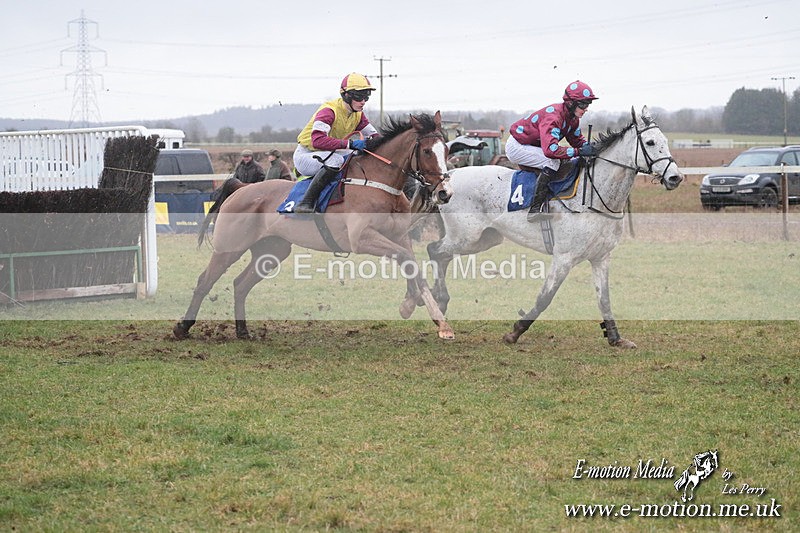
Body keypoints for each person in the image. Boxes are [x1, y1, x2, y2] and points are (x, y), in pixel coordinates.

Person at [506, 80, 599, 222]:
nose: (586, 108)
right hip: (517, 146)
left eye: (588, 104)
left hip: (531, 146)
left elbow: (577, 141)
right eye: (583, 104)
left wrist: (591, 149)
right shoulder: (554, 117)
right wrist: (579, 152)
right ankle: (535, 210)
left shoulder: (572, 119)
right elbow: (551, 150)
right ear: (570, 103)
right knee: (553, 161)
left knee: (564, 160)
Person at [292, 72, 380, 213]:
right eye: (359, 97)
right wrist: (350, 144)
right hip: (307, 155)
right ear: (347, 95)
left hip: (329, 152)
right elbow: (318, 140)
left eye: (366, 96)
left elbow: (375, 136)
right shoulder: (329, 111)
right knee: (337, 160)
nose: (363, 101)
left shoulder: (358, 113)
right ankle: (306, 202)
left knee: (357, 156)